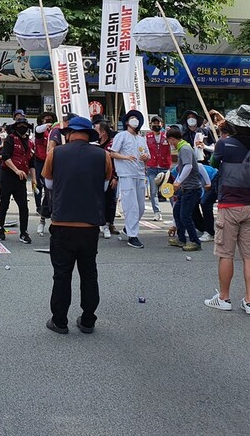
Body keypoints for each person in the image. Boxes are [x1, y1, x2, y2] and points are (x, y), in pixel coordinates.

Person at [40, 116, 113, 335]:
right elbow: (105, 185)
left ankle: (60, 321)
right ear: (89, 135)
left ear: (69, 133)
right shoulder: (103, 155)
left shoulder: (56, 153)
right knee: (89, 273)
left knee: (62, 274)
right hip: (90, 224)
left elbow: (49, 183)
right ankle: (88, 320)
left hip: (62, 222)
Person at [204, 105, 250, 315]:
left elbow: (213, 162)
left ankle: (224, 297)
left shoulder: (225, 144)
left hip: (229, 204)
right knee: (249, 255)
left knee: (226, 254)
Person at [109, 109, 149, 249]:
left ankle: (128, 228)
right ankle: (133, 236)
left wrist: (145, 158)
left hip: (139, 174)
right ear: (126, 122)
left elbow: (147, 156)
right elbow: (112, 153)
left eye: (136, 119)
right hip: (126, 174)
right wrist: (126, 157)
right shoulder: (122, 136)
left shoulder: (141, 139)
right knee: (130, 205)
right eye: (132, 118)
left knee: (141, 207)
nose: (134, 121)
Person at [166, 127, 207, 252]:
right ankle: (181, 239)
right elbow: (182, 168)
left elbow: (188, 166)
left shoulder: (184, 149)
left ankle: (195, 242)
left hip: (192, 188)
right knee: (177, 212)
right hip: (185, 188)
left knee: (185, 215)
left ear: (172, 139)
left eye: (169, 141)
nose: (170, 144)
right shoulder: (183, 148)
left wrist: (178, 181)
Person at [0, 116, 37, 243]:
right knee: (4, 203)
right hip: (8, 175)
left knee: (23, 206)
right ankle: (1, 228)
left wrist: (34, 179)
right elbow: (5, 157)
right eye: (20, 126)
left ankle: (24, 232)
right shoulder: (10, 139)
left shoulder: (30, 143)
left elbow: (32, 162)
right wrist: (16, 170)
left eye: (25, 127)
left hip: (21, 178)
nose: (23, 128)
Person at [95, 119, 118, 238]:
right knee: (98, 201)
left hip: (110, 177)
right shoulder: (94, 143)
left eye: (97, 129)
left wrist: (115, 177)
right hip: (96, 177)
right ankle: (99, 223)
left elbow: (116, 162)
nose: (94, 131)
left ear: (103, 132)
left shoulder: (113, 144)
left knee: (110, 201)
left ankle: (109, 224)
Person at [145, 115, 170, 223]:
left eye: (158, 123)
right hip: (152, 167)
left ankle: (174, 213)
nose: (156, 125)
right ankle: (157, 212)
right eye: (154, 123)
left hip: (164, 167)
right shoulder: (147, 137)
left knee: (168, 191)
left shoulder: (167, 136)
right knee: (153, 191)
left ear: (162, 124)